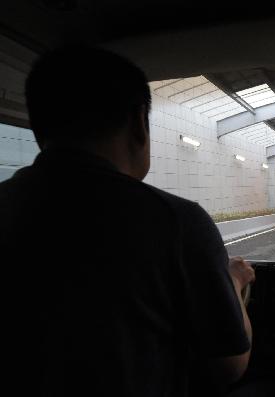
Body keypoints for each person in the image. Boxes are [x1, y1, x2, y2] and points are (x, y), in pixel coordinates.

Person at [0, 46, 255, 396]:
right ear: (138, 122)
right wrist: (233, 281)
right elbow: (230, 365)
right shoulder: (176, 223)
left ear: (38, 127)